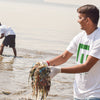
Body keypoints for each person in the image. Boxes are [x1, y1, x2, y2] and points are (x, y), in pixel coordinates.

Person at [37, 4, 100, 100]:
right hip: (78, 93)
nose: (78, 21)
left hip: (95, 93)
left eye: (80, 18)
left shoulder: (98, 39)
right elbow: (64, 57)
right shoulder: (80, 36)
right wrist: (46, 63)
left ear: (87, 20)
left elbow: (87, 66)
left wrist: (59, 70)